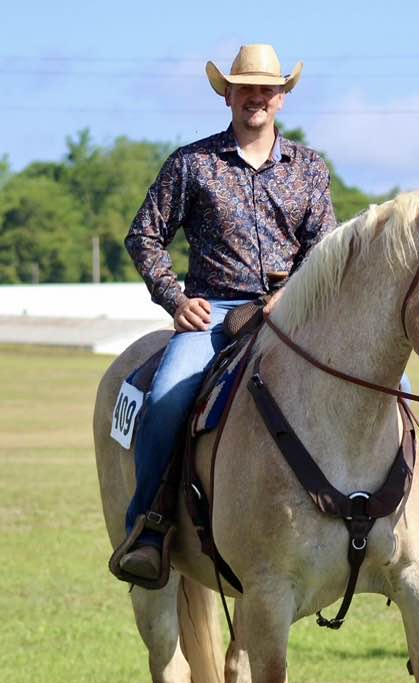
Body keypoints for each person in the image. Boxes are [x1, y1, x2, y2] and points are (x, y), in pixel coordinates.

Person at [114, 44, 337, 584]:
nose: (256, 97)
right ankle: (150, 525)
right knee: (167, 398)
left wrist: (297, 292)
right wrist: (174, 298)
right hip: (215, 312)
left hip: (295, 309)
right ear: (228, 96)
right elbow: (144, 235)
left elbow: (324, 246)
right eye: (245, 88)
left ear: (281, 97)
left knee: (390, 380)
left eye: (266, 88)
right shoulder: (192, 164)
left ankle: (406, 520)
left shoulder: (309, 168)